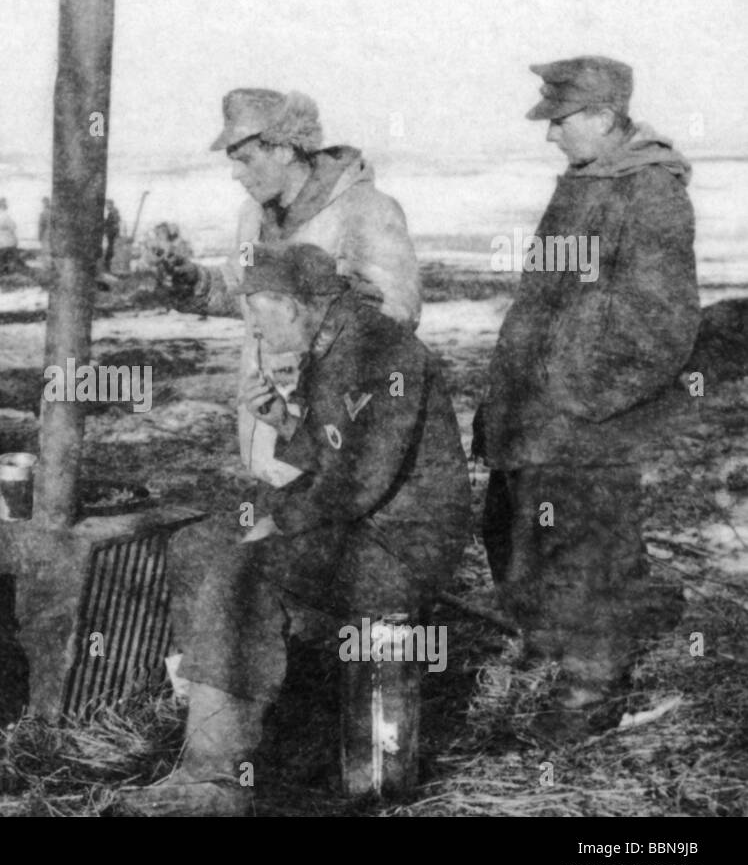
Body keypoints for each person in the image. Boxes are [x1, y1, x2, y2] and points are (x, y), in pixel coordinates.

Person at [124, 242, 469, 815]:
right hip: (357, 524)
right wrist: (283, 420)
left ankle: (215, 777)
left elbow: (358, 479)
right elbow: (331, 451)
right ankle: (221, 715)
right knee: (195, 546)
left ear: (295, 305)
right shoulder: (333, 344)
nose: (254, 330)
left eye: (259, 314)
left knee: (246, 569)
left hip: (400, 542)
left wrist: (279, 522)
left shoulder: (385, 353)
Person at [473, 56, 700, 740]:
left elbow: (663, 323)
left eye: (560, 121)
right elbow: (540, 301)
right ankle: (561, 650)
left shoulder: (649, 192)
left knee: (587, 554)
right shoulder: (585, 182)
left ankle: (589, 701)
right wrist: (509, 394)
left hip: (585, 421)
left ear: (603, 117)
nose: (550, 136)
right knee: (516, 537)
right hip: (536, 415)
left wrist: (579, 391)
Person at [160, 89, 420, 489]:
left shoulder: (364, 209)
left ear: (283, 149)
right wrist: (191, 280)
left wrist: (304, 324)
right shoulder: (253, 217)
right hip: (268, 433)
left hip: (335, 438)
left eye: (245, 160)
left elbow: (397, 314)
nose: (236, 174)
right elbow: (244, 295)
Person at [102, 198, 121, 271]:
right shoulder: (114, 211)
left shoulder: (112, 212)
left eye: (107, 204)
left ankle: (107, 265)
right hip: (113, 232)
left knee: (110, 248)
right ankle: (107, 264)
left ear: (110, 204)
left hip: (112, 232)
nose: (106, 206)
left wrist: (104, 223)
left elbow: (111, 222)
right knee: (110, 248)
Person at [37, 197, 52, 263]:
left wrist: (39, 236)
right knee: (49, 250)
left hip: (45, 234)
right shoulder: (52, 212)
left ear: (44, 204)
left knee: (45, 250)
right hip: (51, 234)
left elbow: (41, 226)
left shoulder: (43, 213)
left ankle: (46, 265)